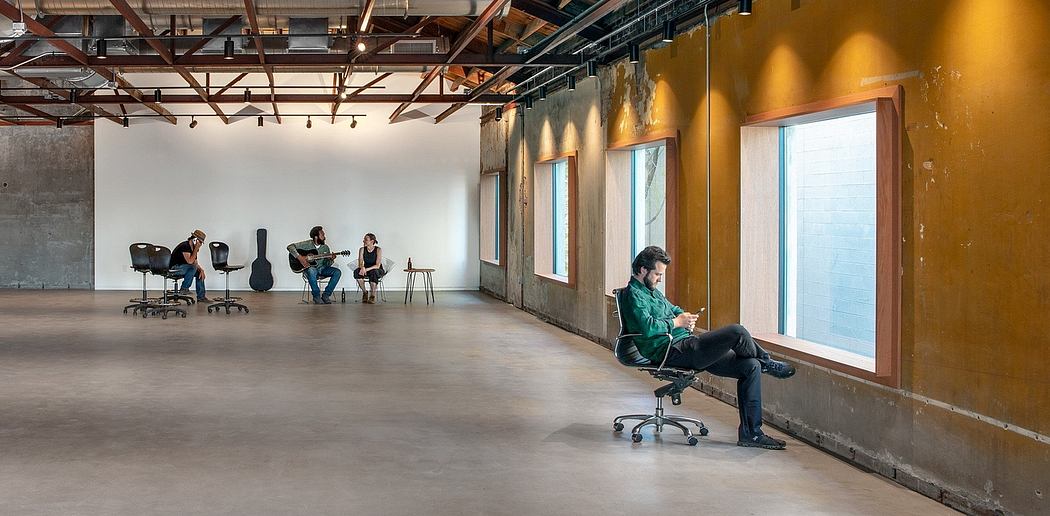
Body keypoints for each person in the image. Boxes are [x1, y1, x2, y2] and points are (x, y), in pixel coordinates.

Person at [620, 245, 796, 450]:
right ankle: (768, 363)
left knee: (750, 366)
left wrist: (685, 317)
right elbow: (649, 328)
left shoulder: (652, 292)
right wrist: (677, 322)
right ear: (643, 270)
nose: (659, 279)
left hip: (686, 346)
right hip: (671, 351)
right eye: (657, 274)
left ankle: (752, 434)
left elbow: (672, 309)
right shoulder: (634, 295)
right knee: (737, 332)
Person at [287, 226, 341, 304]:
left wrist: (331, 259)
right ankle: (316, 296)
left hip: (322, 269)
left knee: (337, 272)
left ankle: (326, 295)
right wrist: (300, 258)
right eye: (322, 235)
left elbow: (327, 264)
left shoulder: (325, 248)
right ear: (316, 237)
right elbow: (290, 247)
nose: (324, 237)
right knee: (312, 270)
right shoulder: (307, 244)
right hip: (310, 270)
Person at [172, 229, 210, 303]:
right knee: (193, 267)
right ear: (195, 240)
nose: (200, 245)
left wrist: (201, 270)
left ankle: (201, 297)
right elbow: (190, 261)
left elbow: (195, 263)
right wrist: (196, 248)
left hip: (184, 269)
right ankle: (184, 288)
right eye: (200, 242)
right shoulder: (185, 246)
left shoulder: (193, 249)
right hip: (174, 269)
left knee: (199, 273)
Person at [354, 233, 385, 303]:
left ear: (372, 241)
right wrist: (362, 267)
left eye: (366, 239)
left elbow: (377, 265)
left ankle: (372, 295)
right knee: (357, 272)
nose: (363, 241)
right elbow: (360, 262)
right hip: (365, 268)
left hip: (377, 269)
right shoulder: (362, 249)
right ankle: (365, 292)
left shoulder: (378, 249)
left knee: (373, 272)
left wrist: (365, 269)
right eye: (364, 239)